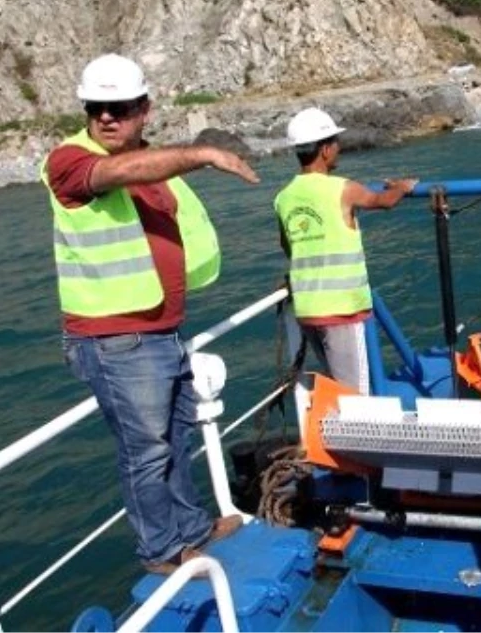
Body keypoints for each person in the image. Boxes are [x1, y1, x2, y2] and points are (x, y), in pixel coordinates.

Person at [43, 53, 260, 575]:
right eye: (96, 108)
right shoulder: (70, 160)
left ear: (144, 108)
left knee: (175, 436)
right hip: (116, 337)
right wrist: (203, 152)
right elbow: (117, 172)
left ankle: (193, 529)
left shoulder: (150, 161)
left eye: (118, 107)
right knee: (146, 449)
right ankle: (161, 551)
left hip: (161, 329)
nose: (106, 118)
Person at [274, 107, 417, 397]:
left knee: (335, 386)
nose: (339, 149)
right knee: (355, 397)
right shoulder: (343, 189)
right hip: (341, 308)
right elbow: (383, 201)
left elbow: (288, 246)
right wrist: (402, 187)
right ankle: (354, 442)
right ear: (325, 150)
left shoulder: (283, 197)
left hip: (308, 309)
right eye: (335, 144)